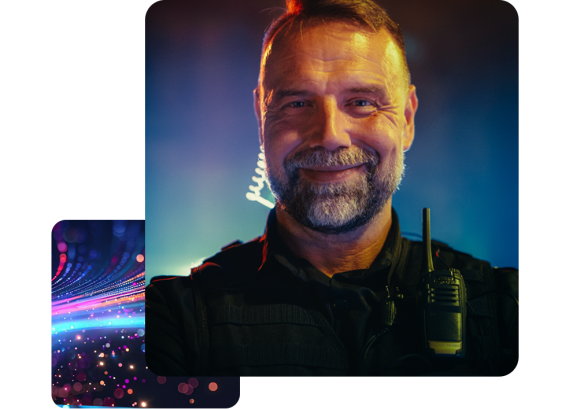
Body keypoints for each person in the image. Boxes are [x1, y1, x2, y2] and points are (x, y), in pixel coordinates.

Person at [146, 0, 518, 377]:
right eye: (297, 102)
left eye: (361, 102)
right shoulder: (174, 317)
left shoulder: (505, 307)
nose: (329, 136)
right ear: (261, 116)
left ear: (406, 118)